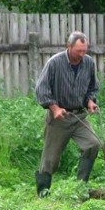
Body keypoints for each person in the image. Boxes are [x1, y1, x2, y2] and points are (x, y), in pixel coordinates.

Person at [34, 31, 100, 197]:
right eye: (79, 51)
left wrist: (90, 102)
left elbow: (92, 87)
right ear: (68, 47)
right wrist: (55, 108)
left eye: (85, 50)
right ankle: (43, 192)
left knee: (93, 144)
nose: (82, 54)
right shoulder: (54, 63)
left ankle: (80, 188)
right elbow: (41, 89)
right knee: (50, 159)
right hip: (60, 117)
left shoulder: (89, 63)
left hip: (79, 116)